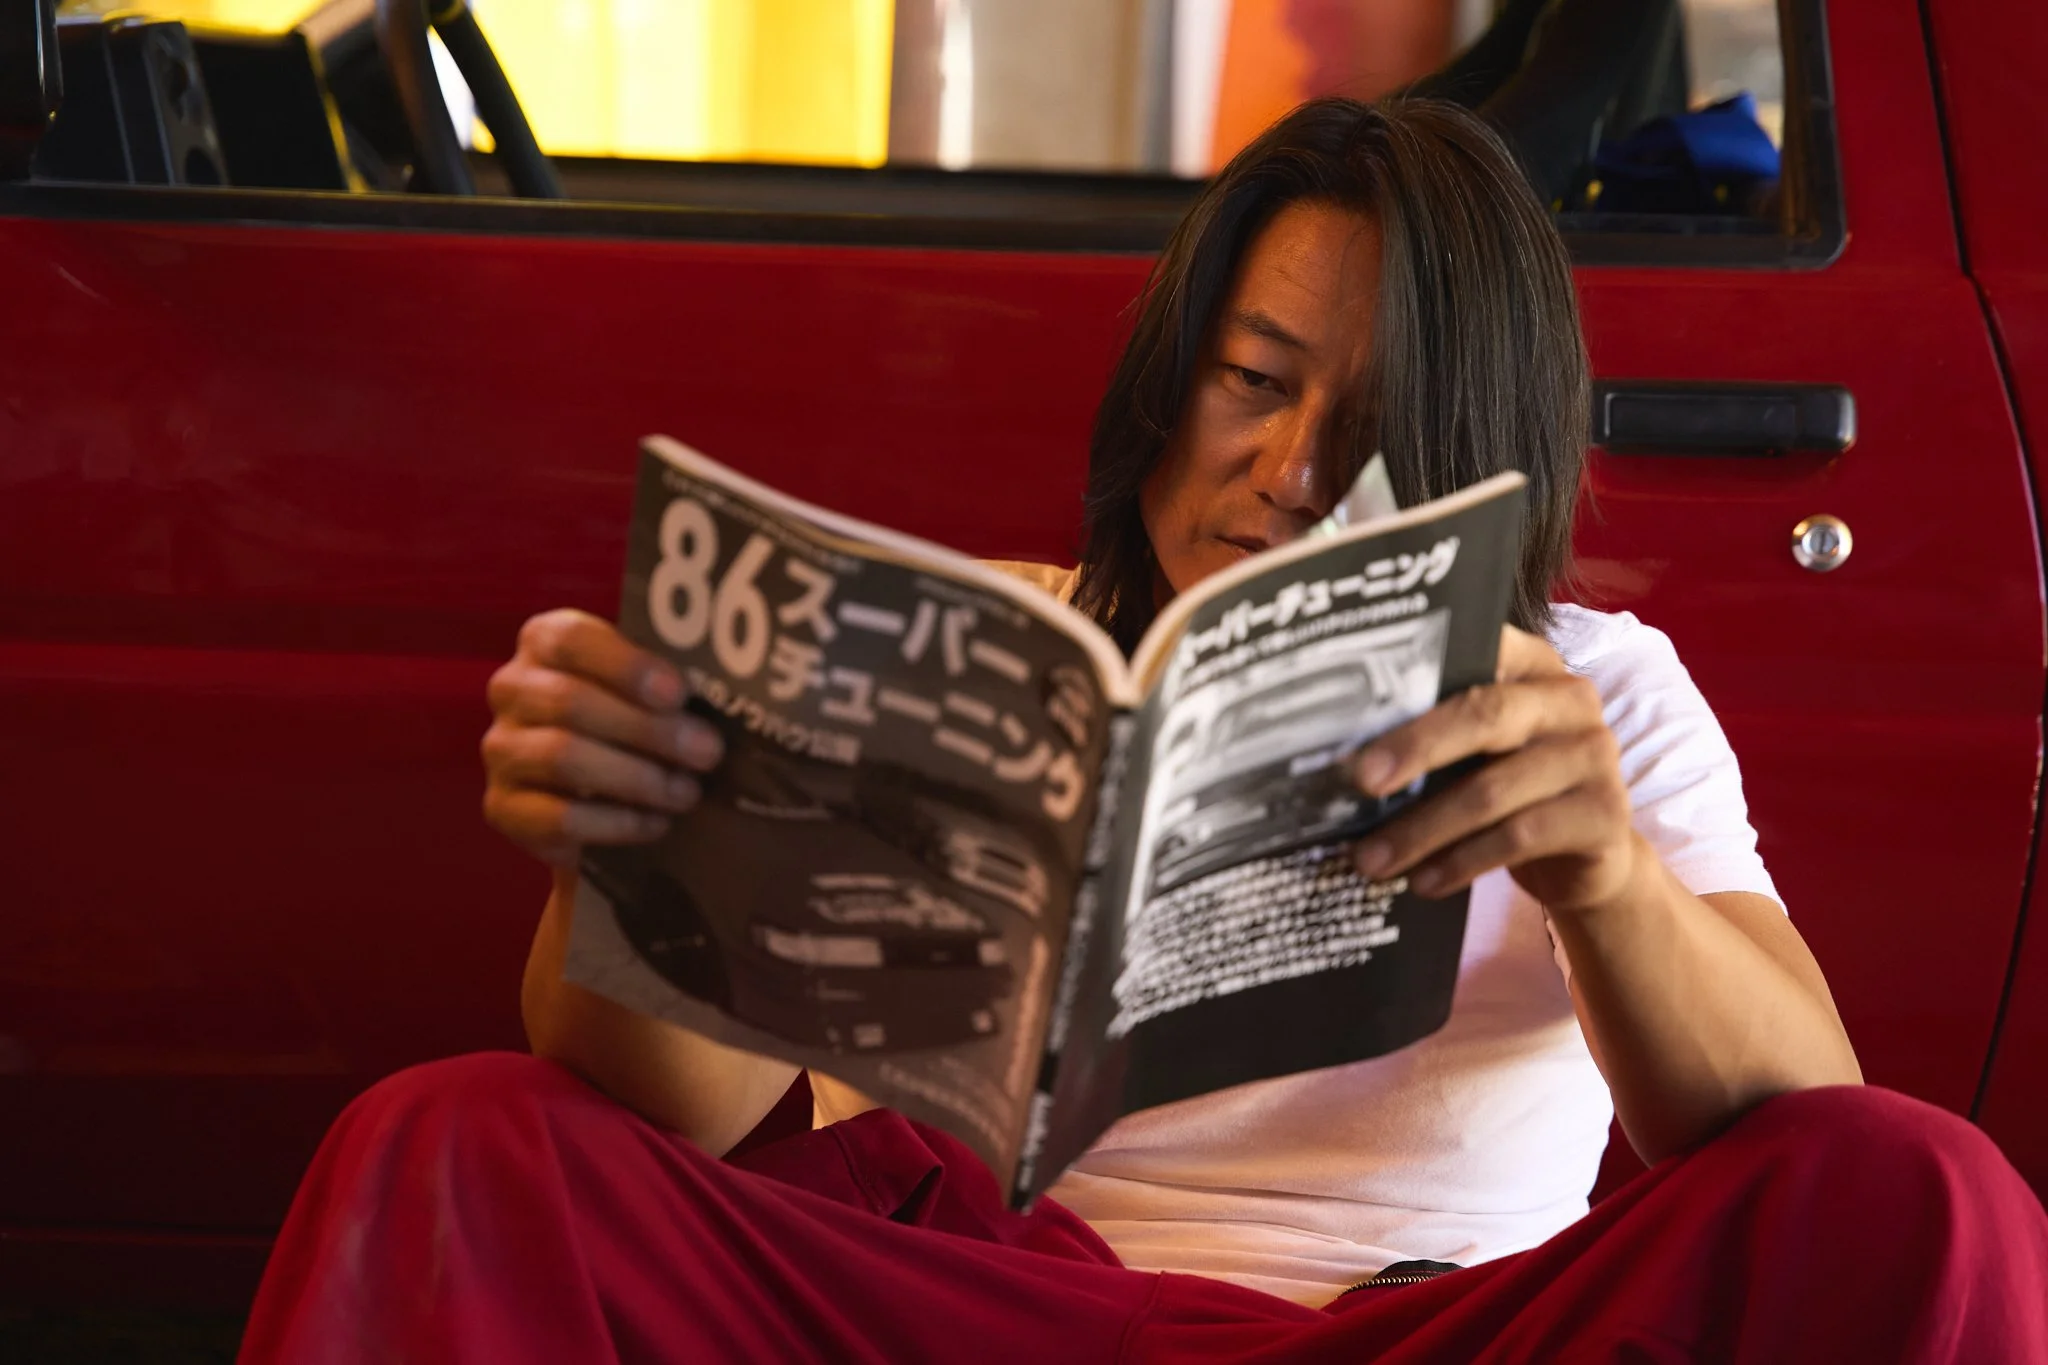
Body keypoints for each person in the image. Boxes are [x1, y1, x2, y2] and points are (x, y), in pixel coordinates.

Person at [237, 98, 2048, 1364]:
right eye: (1252, 383)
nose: (1281, 471)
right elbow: (649, 1108)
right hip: (957, 1302)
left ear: (1479, 441)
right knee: (453, 1140)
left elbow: (1811, 1123)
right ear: (1173, 374)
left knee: (1933, 1193)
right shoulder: (985, 639)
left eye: (1365, 425)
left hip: (1405, 1326)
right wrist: (636, 855)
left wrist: (1603, 876)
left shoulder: (1598, 689)